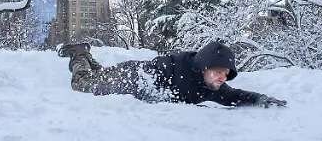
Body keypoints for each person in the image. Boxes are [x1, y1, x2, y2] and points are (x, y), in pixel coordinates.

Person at [59, 41, 287, 108]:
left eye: (225, 74)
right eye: (219, 72)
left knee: (99, 74)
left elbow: (234, 95)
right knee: (83, 83)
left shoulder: (212, 86)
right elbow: (148, 77)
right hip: (131, 77)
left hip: (130, 75)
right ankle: (78, 53)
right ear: (204, 67)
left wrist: (259, 98)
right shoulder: (177, 67)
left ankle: (85, 53)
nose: (222, 78)